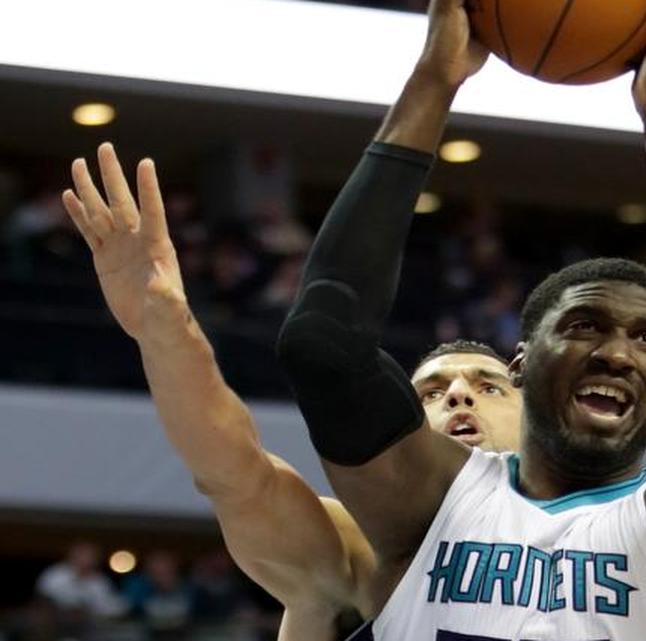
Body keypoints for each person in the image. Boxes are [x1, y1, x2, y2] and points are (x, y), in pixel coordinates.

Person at [277, 0, 646, 637]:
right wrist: (435, 79)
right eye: (584, 327)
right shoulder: (433, 500)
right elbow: (324, 344)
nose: (617, 353)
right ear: (519, 366)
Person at [58, 143, 523, 641]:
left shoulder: (605, 521)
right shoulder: (360, 548)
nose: (457, 395)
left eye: (489, 387)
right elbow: (236, 474)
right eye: (429, 394)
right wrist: (167, 333)